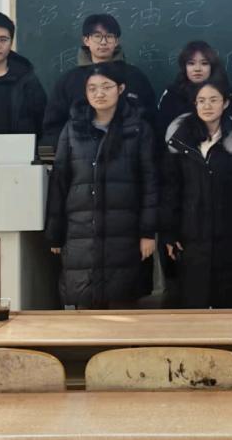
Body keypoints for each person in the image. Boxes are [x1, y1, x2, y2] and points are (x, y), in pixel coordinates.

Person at [44, 62, 159, 309]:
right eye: (92, 88)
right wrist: (55, 233)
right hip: (81, 231)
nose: (99, 93)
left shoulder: (138, 129)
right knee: (85, 304)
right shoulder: (73, 128)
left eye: (106, 87)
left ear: (121, 89)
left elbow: (149, 183)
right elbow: (60, 181)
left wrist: (148, 233)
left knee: (124, 305)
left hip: (125, 232)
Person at [162, 79, 232, 308]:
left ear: (225, 103)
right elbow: (171, 189)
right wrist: (169, 232)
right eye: (201, 101)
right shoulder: (181, 140)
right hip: (191, 233)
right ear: (194, 105)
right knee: (193, 300)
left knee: (229, 300)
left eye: (214, 100)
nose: (207, 106)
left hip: (230, 231)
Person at [42, 14, 157, 148]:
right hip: (81, 157)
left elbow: (151, 120)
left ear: (116, 41)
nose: (103, 42)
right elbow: (53, 125)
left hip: (128, 155)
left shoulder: (135, 76)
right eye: (97, 36)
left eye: (109, 36)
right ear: (86, 40)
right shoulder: (69, 80)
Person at [154, 41, 231, 143]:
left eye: (204, 63)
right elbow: (161, 133)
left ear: (211, 66)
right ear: (184, 67)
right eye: (191, 63)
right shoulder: (172, 94)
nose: (197, 69)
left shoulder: (226, 92)